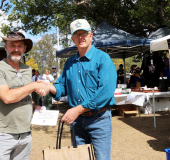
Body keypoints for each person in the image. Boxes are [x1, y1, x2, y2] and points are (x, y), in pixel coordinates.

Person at [37, 19, 117, 160]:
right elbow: (62, 87)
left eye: (84, 33)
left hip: (99, 120)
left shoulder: (103, 59)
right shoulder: (69, 62)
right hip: (77, 122)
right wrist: (49, 87)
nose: (81, 37)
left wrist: (78, 109)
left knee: (101, 158)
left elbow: (105, 93)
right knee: (80, 158)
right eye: (77, 34)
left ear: (90, 36)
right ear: (73, 39)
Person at [0, 31, 48, 160]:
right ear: (6, 47)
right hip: (4, 135)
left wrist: (34, 107)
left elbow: (24, 95)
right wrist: (34, 85)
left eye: (20, 46)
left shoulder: (27, 69)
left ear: (24, 49)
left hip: (26, 134)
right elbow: (7, 97)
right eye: (12, 45)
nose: (16, 49)